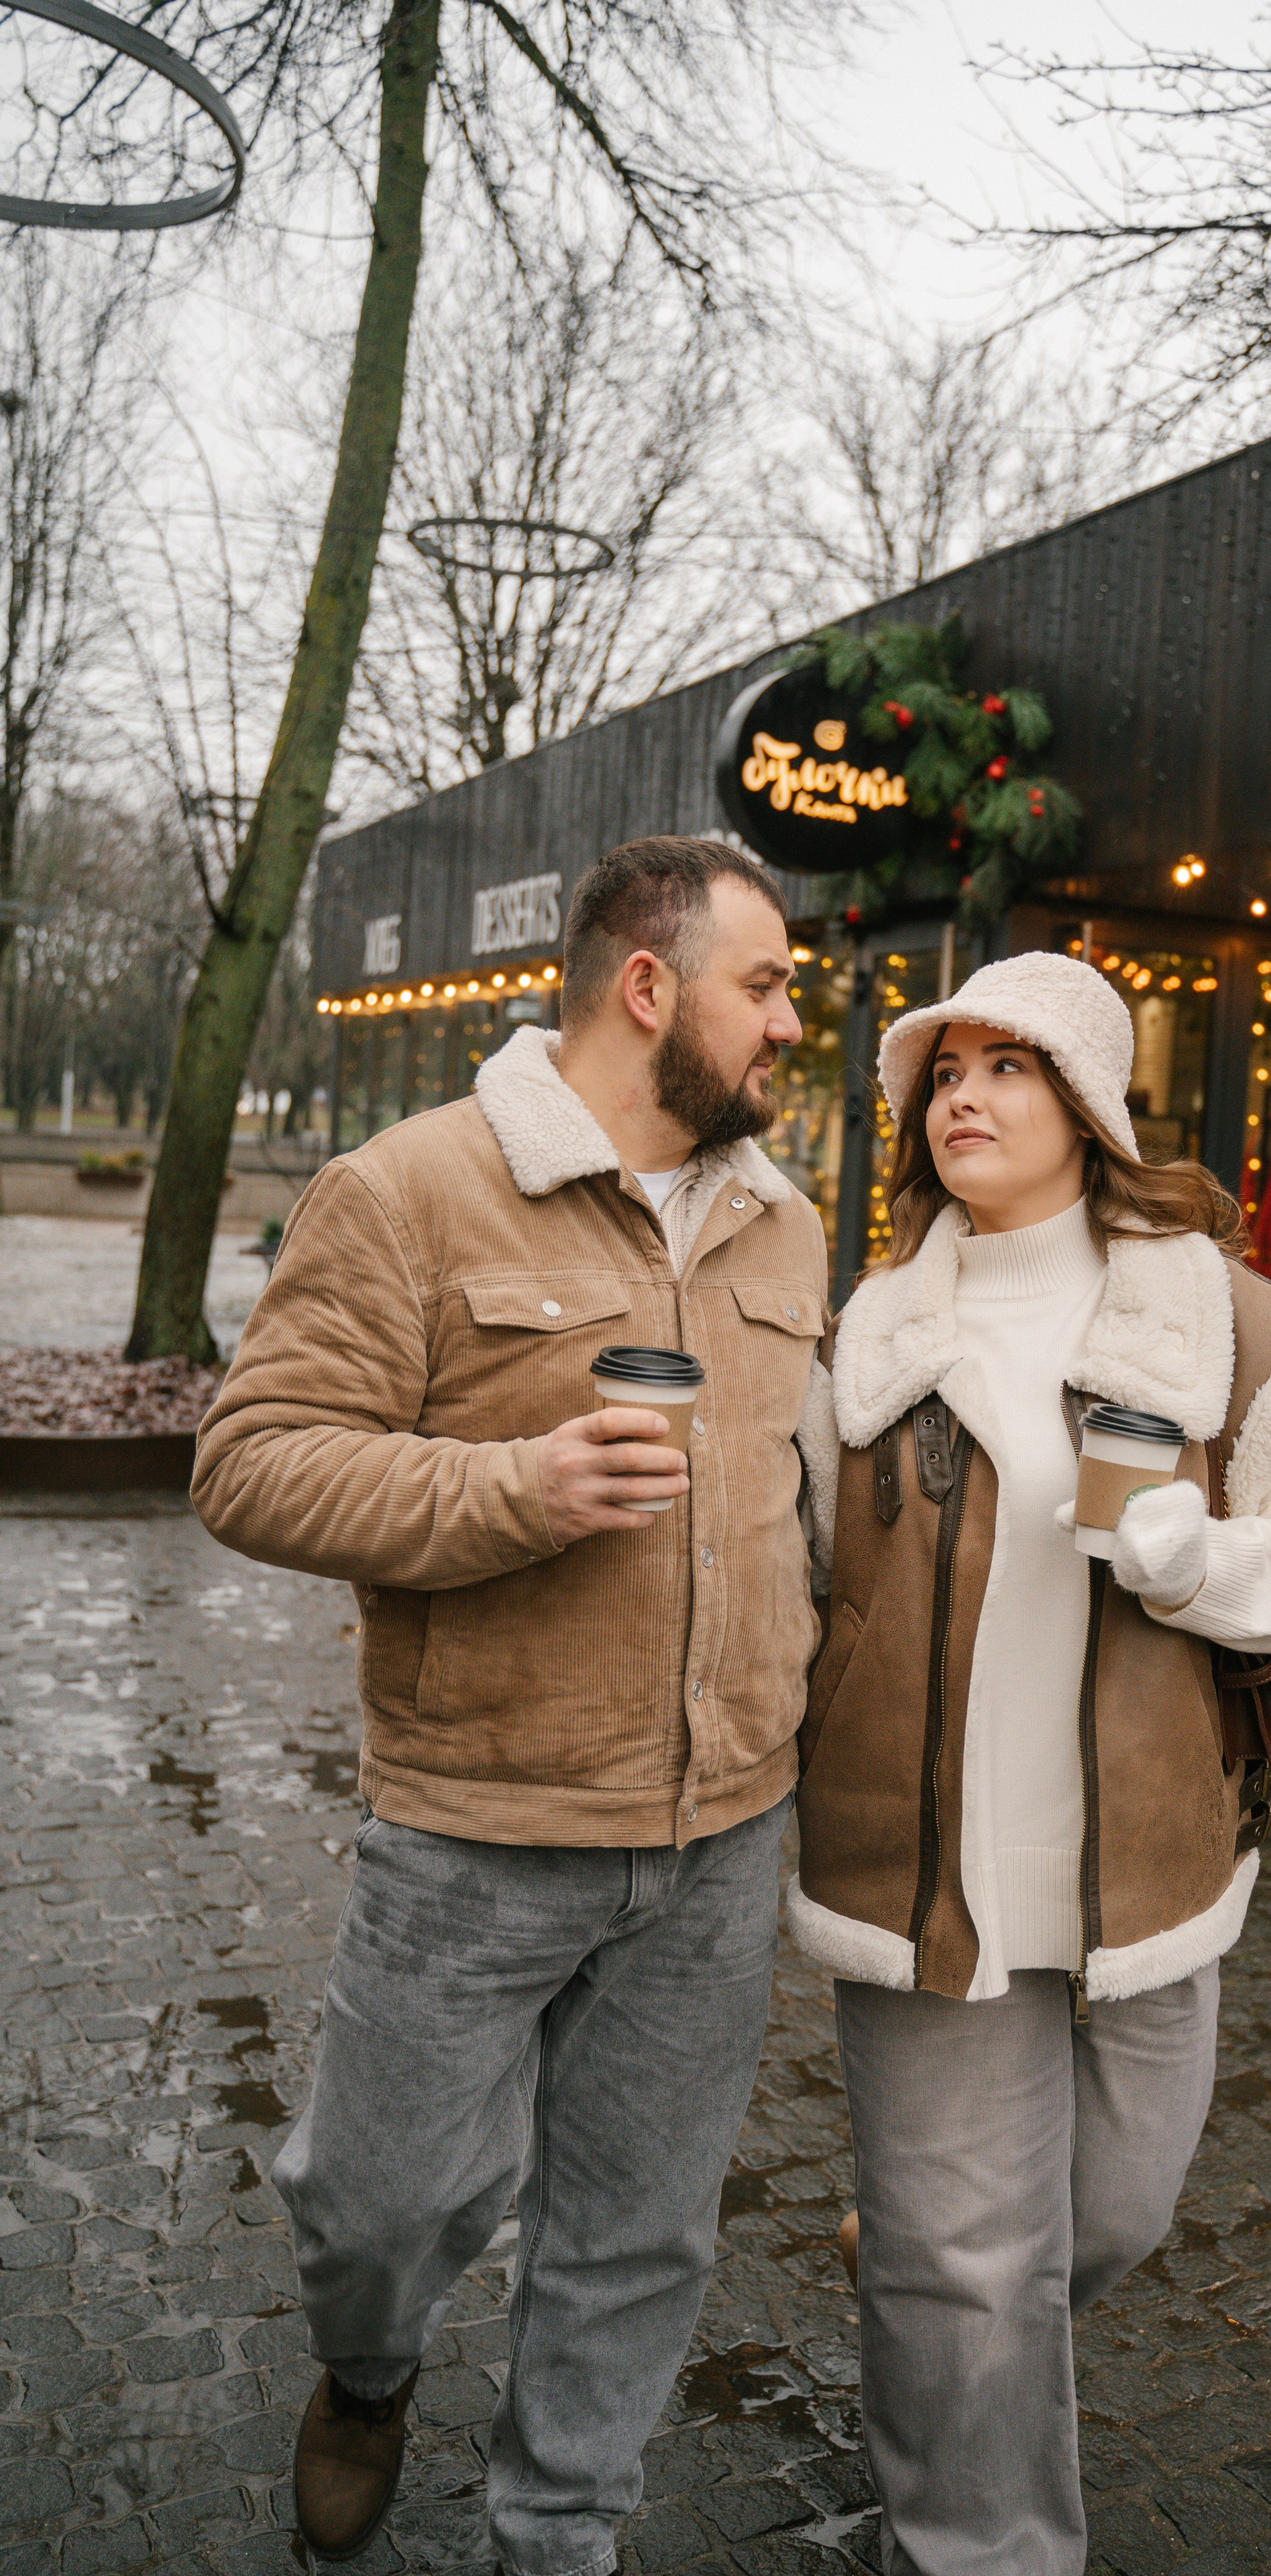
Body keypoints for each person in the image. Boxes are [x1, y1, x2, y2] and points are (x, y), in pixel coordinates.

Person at [193, 837, 838, 2575]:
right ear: (652, 986)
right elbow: (248, 1465)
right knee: (381, 2212)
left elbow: (805, 1503)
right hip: (479, 1835)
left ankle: (555, 2541)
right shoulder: (412, 1188)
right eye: (766, 984)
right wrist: (513, 1494)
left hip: (719, 1847)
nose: (794, 1021)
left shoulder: (789, 1224)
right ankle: (368, 2371)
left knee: (637, 2243)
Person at [788, 951, 1271, 2576]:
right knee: (970, 2271)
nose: (960, 1095)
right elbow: (805, 1569)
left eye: (1007, 1067)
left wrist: (1193, 1561)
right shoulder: (872, 1329)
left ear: (1089, 1106)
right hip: (925, 1878)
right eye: (943, 1071)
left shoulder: (1216, 1321)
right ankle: (973, 2537)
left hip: (1146, 1874)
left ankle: (918, 2265)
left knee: (1105, 2218)